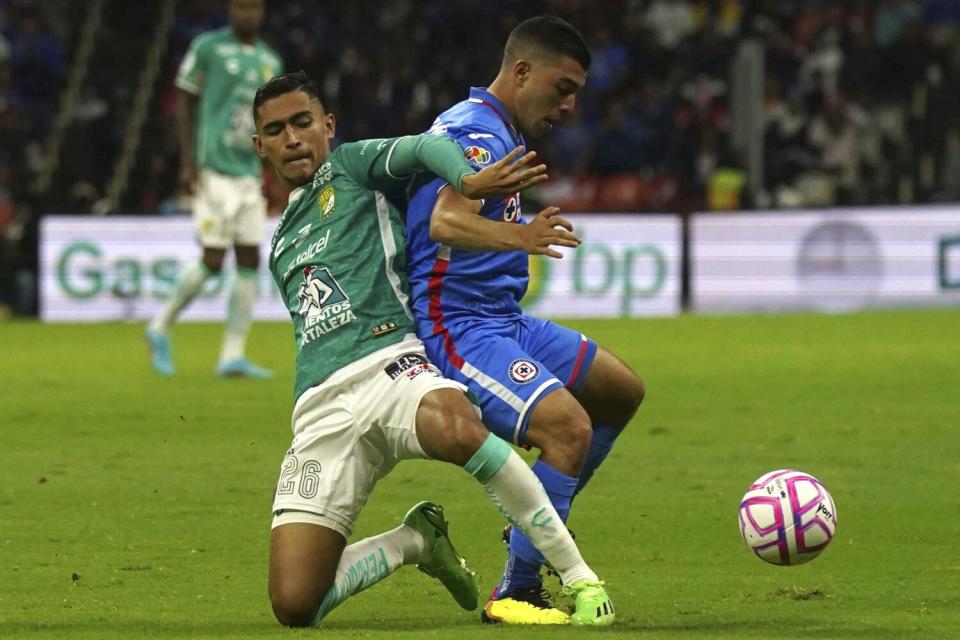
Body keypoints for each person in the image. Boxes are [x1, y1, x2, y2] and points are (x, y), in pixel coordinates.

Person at [252, 71, 616, 627]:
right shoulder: (279, 241)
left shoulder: (353, 166)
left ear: (327, 125)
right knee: (296, 603)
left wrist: (468, 183)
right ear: (260, 146)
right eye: (276, 130)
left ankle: (580, 579)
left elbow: (427, 147)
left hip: (390, 365)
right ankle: (414, 542)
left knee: (458, 425)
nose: (292, 138)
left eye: (303, 122)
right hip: (321, 409)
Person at [405, 16, 645, 624]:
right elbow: (445, 222)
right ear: (521, 72)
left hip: (504, 318)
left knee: (619, 391)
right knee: (568, 431)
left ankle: (527, 533)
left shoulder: (497, 129)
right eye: (562, 88)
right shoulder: (475, 133)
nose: (569, 106)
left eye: (577, 94)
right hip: (456, 326)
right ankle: (517, 588)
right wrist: (523, 234)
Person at [146, 0, 281, 378]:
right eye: (241, 7)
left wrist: (271, 174)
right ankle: (159, 326)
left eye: (255, 8)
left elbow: (271, 125)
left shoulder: (270, 61)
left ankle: (231, 356)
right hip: (214, 170)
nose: (248, 14)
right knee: (214, 258)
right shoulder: (208, 47)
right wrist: (188, 162)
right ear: (230, 10)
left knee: (251, 258)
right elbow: (184, 101)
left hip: (249, 175)